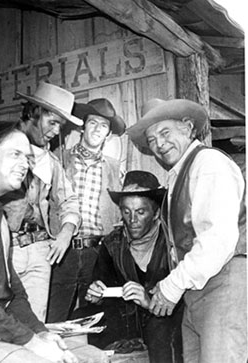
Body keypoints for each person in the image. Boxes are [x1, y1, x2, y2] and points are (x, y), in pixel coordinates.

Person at [127, 98, 247, 363]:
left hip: (222, 283)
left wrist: (172, 285)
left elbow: (218, 239)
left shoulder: (208, 164)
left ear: (188, 128)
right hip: (197, 292)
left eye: (165, 132)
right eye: (152, 139)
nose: (159, 144)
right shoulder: (180, 173)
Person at [0, 121, 79, 363]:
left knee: (83, 354)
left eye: (28, 157)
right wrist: (29, 340)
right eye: (15, 154)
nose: (25, 165)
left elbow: (12, 292)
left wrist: (40, 332)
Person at [0, 81, 83, 322]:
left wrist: (66, 233)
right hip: (4, 250)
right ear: (34, 113)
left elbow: (69, 201)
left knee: (35, 325)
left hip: (40, 252)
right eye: (53, 122)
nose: (56, 131)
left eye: (61, 126)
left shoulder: (52, 162)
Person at [84, 170, 183, 363]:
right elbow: (102, 287)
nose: (132, 220)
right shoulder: (112, 244)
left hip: (169, 322)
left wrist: (149, 301)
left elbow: (186, 300)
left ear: (155, 214)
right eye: (126, 211)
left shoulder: (174, 242)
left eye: (140, 212)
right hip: (128, 323)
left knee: (159, 327)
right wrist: (95, 295)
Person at [47, 98, 126, 323]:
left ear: (108, 134)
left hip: (97, 252)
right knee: (54, 317)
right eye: (93, 123)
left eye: (103, 126)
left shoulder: (114, 167)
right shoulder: (60, 160)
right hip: (63, 251)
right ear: (83, 126)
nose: (97, 130)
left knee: (93, 319)